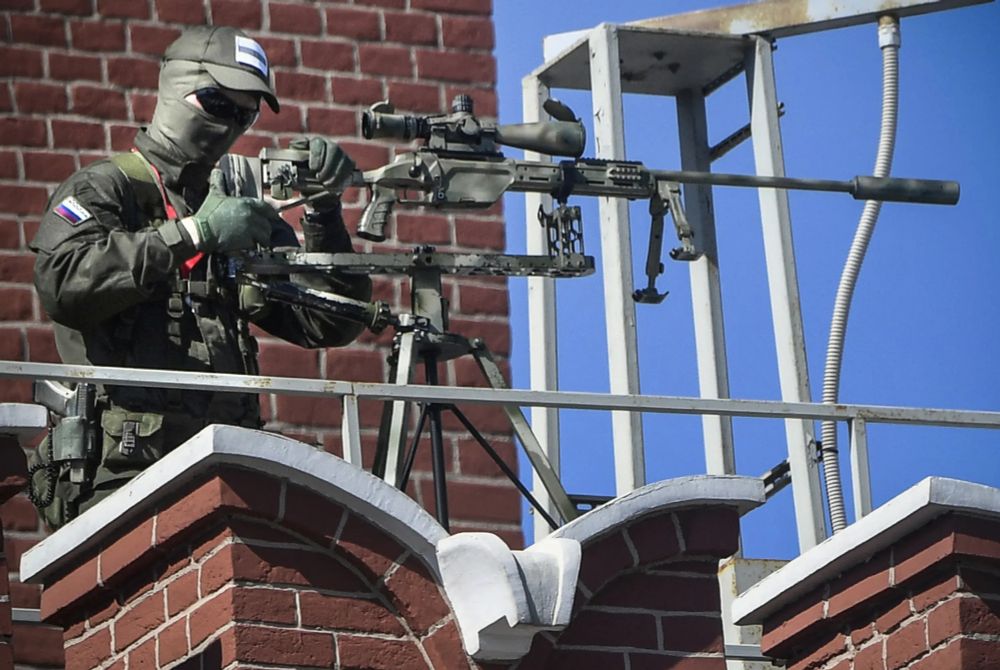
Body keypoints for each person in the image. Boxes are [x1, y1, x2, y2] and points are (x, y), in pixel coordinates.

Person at [29, 26, 371, 527]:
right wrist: (193, 234)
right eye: (216, 102)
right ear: (176, 89)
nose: (229, 124)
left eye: (244, 114)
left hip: (227, 468)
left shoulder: (235, 204)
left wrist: (323, 212)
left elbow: (328, 322)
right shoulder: (107, 188)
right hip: (123, 473)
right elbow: (63, 285)